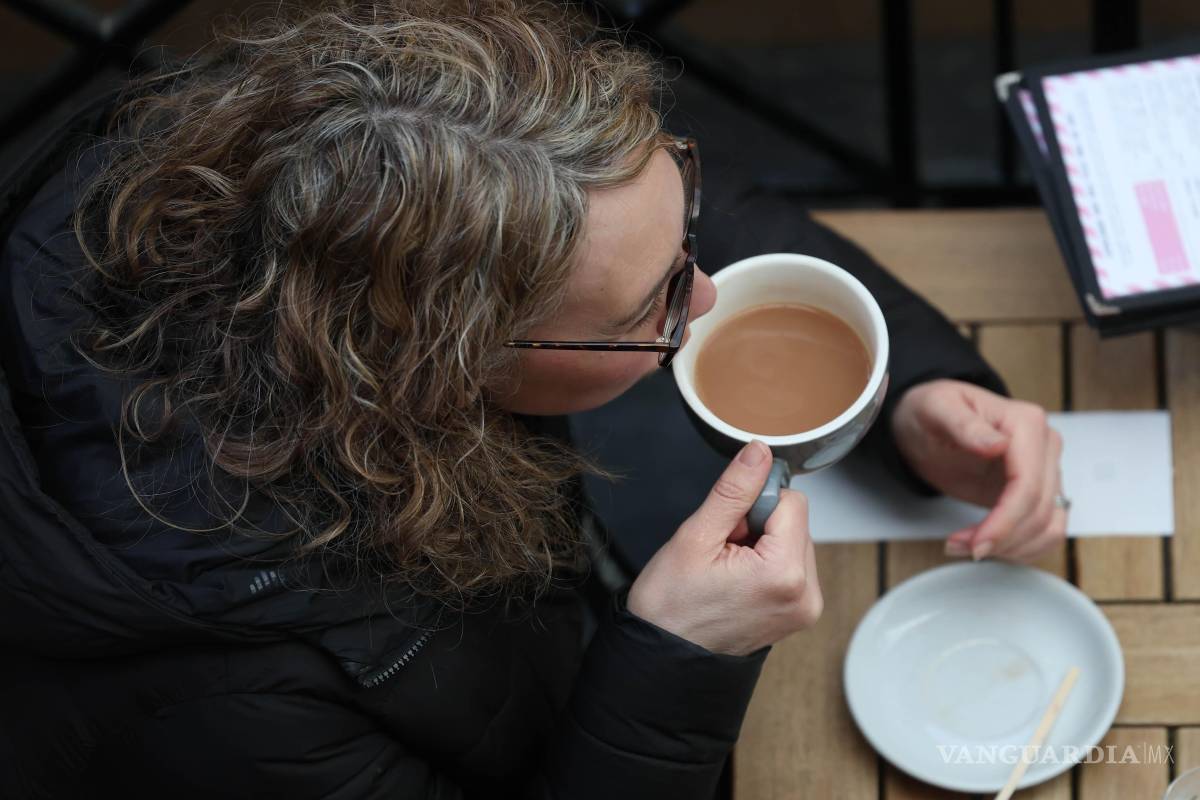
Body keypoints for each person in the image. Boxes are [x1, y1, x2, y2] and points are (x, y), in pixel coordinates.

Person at [0, 1, 1065, 797]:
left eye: (678, 215)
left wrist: (912, 385)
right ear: (443, 359)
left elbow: (641, 219)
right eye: (654, 307)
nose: (705, 295)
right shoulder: (229, 709)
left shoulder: (343, 155)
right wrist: (675, 667)